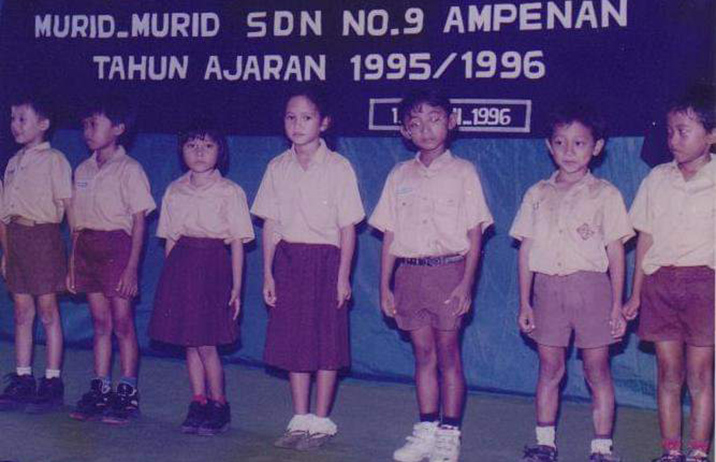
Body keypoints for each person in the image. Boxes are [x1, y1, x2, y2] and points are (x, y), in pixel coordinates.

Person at [370, 90, 493, 462]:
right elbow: (389, 233)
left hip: (449, 273)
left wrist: (465, 283)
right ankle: (425, 429)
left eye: (434, 119)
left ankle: (449, 434)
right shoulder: (398, 175)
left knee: (448, 355)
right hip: (410, 275)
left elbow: (475, 233)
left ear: (451, 122)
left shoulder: (464, 172)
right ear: (405, 131)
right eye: (415, 123)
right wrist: (385, 286)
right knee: (423, 356)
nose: (425, 129)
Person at [510, 103, 633, 462]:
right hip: (547, 292)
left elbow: (616, 253)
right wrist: (525, 302)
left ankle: (601, 448)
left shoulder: (606, 194)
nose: (569, 151)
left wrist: (616, 305)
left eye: (579, 143)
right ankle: (545, 442)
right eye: (560, 143)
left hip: (593, 291)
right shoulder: (536, 194)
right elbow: (525, 253)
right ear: (549, 146)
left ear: (597, 147)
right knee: (550, 368)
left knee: (597, 370)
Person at [251, 87, 365, 450]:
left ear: (324, 122)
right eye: (291, 117)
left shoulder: (339, 167)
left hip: (326, 262)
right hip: (288, 262)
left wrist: (343, 276)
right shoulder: (276, 167)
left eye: (307, 117)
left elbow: (348, 228)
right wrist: (268, 273)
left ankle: (320, 420)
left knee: (326, 343)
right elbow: (270, 225)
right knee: (294, 342)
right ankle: (299, 418)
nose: (298, 124)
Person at [623, 87, 715, 462]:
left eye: (684, 131)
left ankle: (697, 453)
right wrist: (634, 294)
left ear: (711, 135)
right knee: (668, 373)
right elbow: (644, 240)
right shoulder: (656, 179)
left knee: (700, 376)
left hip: (706, 286)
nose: (673, 139)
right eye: (670, 131)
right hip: (660, 286)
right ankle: (671, 451)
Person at [149, 125, 254, 436]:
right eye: (192, 145)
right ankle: (198, 401)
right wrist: (170, 286)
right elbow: (170, 240)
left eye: (207, 146)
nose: (198, 152)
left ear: (220, 151)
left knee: (207, 343)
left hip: (213, 268)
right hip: (181, 268)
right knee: (189, 342)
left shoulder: (230, 191)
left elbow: (236, 242)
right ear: (182, 151)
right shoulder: (174, 190)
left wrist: (236, 287)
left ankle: (219, 404)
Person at [67, 97, 156, 424]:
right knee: (100, 323)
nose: (88, 131)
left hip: (118, 249)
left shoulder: (131, 170)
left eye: (95, 124)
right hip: (88, 247)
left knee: (122, 322)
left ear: (118, 129)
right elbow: (76, 222)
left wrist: (132, 267)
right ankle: (100, 388)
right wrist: (73, 263)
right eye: (85, 124)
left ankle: (127, 391)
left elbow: (139, 222)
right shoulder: (82, 169)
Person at [0, 93, 72, 413]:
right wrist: (6, 252)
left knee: (47, 310)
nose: (15, 125)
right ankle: (24, 377)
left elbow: (69, 207)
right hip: (16, 240)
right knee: (21, 312)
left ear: (43, 124)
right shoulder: (13, 163)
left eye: (22, 119)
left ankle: (53, 380)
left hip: (43, 237)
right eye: (13, 118)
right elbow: (5, 214)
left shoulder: (54, 160)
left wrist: (72, 253)